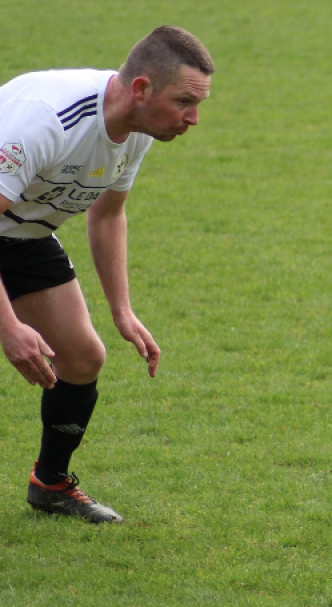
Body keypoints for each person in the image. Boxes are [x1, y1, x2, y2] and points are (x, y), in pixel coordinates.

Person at [0, 26, 214, 523]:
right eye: (184, 102)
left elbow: (108, 214)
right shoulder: (47, 121)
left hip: (23, 233)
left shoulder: (136, 131)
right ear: (141, 88)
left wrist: (122, 310)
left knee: (82, 357)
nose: (194, 118)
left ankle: (50, 483)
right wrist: (9, 327)